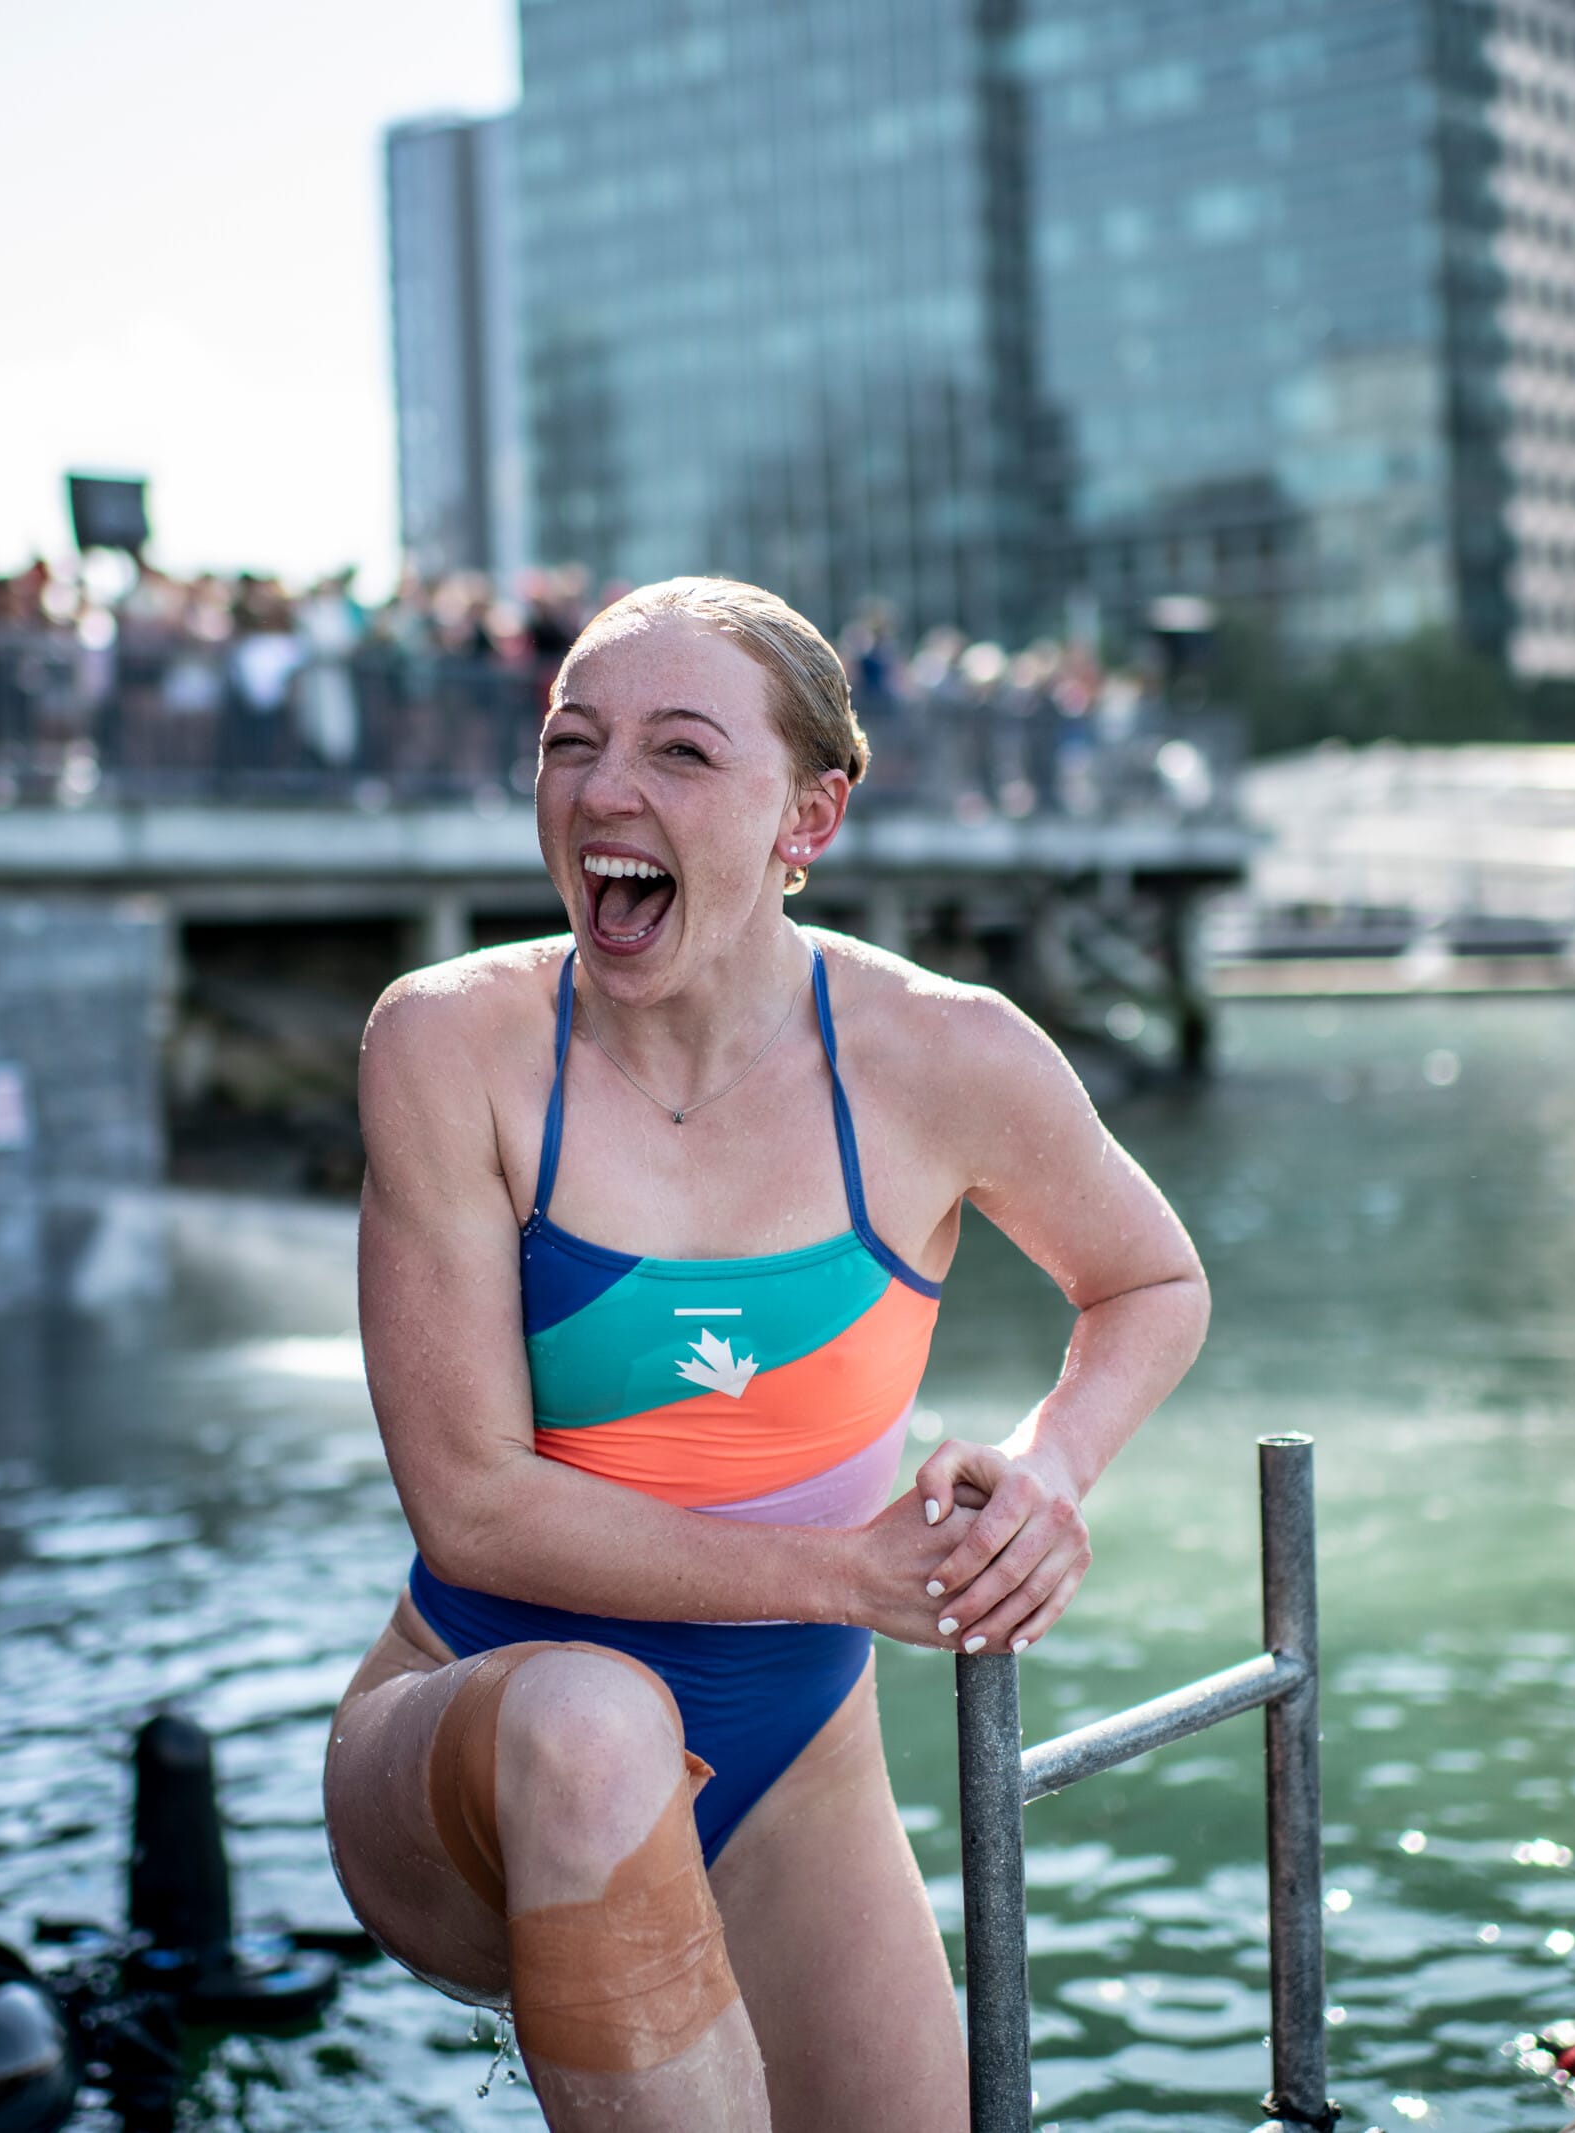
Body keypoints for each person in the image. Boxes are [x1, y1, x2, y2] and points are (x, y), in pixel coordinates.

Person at [321, 577, 1210, 2130]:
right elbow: (472, 1505)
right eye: (572, 742)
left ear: (813, 814)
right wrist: (853, 1574)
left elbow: (1150, 1278)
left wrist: (1050, 1471)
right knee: (597, 1725)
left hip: (798, 1754)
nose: (605, 788)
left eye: (680, 750)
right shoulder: (448, 1043)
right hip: (471, 1744)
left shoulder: (948, 1055)